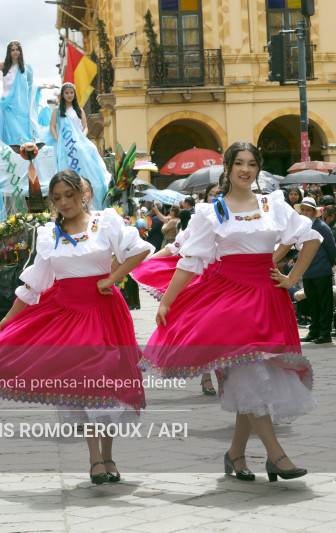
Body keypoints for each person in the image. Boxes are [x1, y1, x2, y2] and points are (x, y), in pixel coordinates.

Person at [144, 142, 321, 483]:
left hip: (268, 299)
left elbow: (310, 238)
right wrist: (167, 300)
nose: (245, 169)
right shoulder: (213, 212)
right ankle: (276, 456)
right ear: (227, 167)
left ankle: (235, 455)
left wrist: (291, 278)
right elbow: (191, 261)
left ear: (258, 168)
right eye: (238, 163)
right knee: (250, 373)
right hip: (230, 301)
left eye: (251, 163)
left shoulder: (273, 204)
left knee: (249, 375)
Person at [0, 170, 152, 484]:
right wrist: (8, 320)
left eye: (69, 195)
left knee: (108, 387)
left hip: (105, 314)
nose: (64, 202)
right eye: (57, 198)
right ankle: (95, 458)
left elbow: (139, 250)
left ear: (82, 193)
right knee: (86, 386)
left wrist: (111, 278)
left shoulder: (105, 222)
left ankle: (107, 455)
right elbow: (34, 283)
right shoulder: (48, 234)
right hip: (68, 316)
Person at [0, 40, 33, 145]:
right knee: (8, 133)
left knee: (23, 134)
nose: (15, 52)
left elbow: (31, 84)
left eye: (17, 49)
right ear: (9, 52)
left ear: (20, 51)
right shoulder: (4, 65)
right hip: (7, 105)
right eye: (12, 50)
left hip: (21, 108)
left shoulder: (26, 67)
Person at [298, 197, 336, 344]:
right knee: (312, 302)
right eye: (303, 209)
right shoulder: (301, 227)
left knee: (324, 302)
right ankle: (314, 331)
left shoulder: (322, 227)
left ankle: (324, 333)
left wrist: (328, 265)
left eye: (308, 210)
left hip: (321, 271)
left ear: (314, 212)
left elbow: (332, 250)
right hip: (307, 271)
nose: (305, 212)